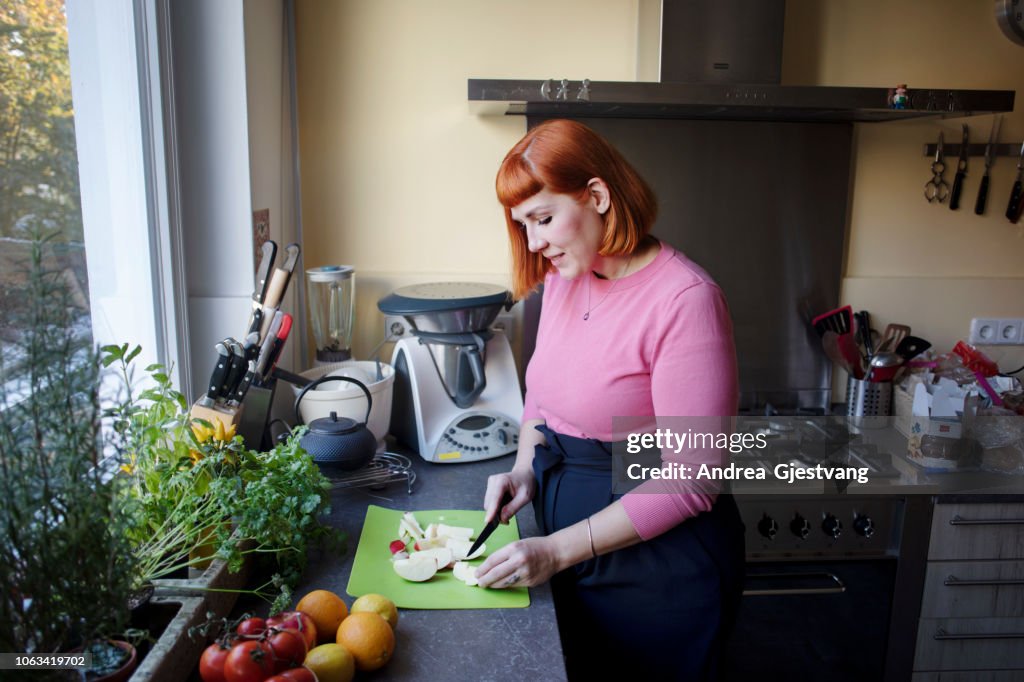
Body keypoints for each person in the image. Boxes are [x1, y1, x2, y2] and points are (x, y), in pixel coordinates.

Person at [473, 119, 745, 681]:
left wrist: (555, 551)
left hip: (657, 575)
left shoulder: (685, 299)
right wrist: (525, 470)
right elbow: (541, 400)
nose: (534, 242)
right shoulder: (567, 277)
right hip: (568, 554)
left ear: (597, 196)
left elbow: (691, 480)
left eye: (543, 220)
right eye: (523, 226)